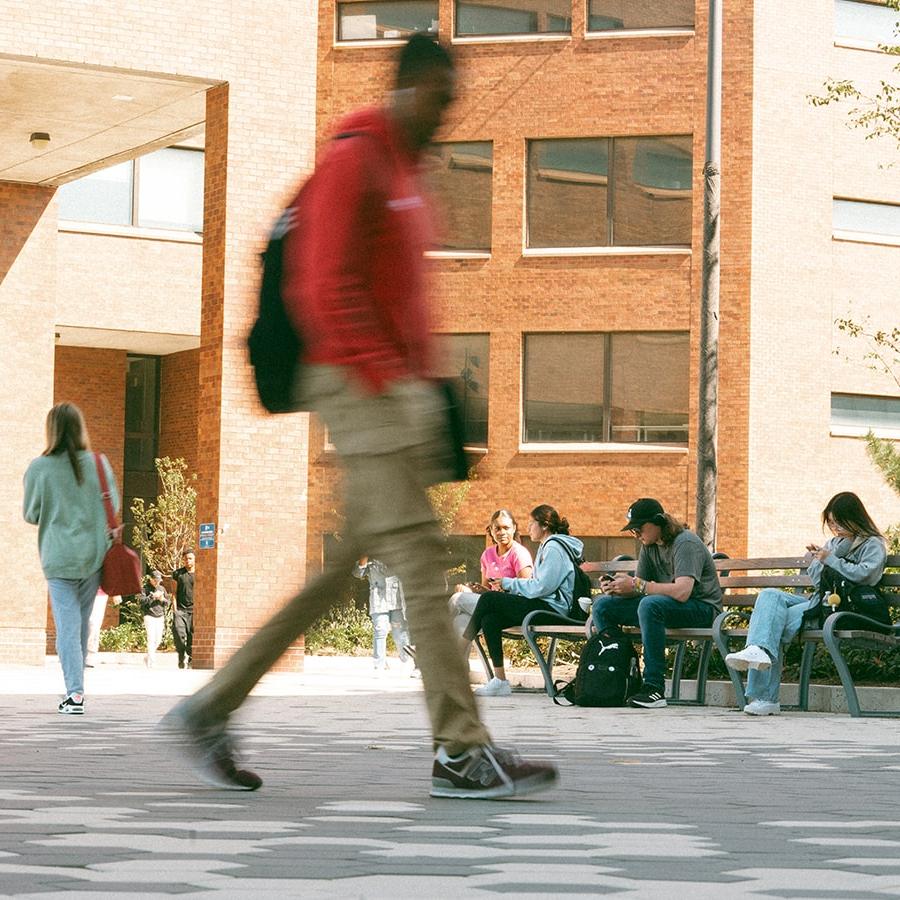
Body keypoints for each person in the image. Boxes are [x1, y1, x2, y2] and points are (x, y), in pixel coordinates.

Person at [162, 35, 558, 800]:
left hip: (393, 392)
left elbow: (405, 300)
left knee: (350, 570)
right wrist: (387, 382)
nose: (448, 115)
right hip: (357, 385)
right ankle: (459, 750)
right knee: (416, 556)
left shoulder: (407, 171)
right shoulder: (357, 157)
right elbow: (320, 286)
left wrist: (434, 392)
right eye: (440, 99)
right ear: (409, 89)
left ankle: (211, 708)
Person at [725, 491, 887, 716]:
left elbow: (866, 575)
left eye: (838, 522)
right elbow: (819, 582)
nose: (835, 528)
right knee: (769, 596)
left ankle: (765, 697)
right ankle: (756, 650)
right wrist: (817, 560)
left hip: (844, 608)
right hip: (819, 600)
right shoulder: (834, 542)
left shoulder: (873, 544)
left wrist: (830, 559)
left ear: (854, 517)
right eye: (831, 523)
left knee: (773, 623)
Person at [23, 402, 121, 715]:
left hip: (58, 557)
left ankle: (75, 694)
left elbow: (30, 513)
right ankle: (76, 688)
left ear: (51, 429)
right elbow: (113, 505)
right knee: (79, 626)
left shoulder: (40, 467)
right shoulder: (99, 463)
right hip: (93, 556)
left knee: (67, 626)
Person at [589, 498, 722, 710]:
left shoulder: (685, 543)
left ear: (658, 522)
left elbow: (682, 591)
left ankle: (654, 687)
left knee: (650, 605)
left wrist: (638, 585)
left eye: (639, 528)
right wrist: (617, 588)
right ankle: (618, 677)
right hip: (663, 607)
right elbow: (639, 590)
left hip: (702, 608)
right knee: (603, 606)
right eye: (633, 531)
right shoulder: (649, 547)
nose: (637, 535)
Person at [464, 505, 582, 697]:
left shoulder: (554, 547)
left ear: (544, 525)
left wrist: (509, 583)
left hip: (553, 609)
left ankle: (459, 648)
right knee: (491, 619)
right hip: (544, 605)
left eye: (531, 523)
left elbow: (543, 587)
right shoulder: (547, 546)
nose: (528, 528)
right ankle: (500, 681)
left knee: (488, 598)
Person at [449, 508, 533, 638]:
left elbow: (527, 591)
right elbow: (485, 591)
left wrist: (505, 589)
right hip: (489, 605)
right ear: (491, 530)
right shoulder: (487, 555)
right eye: (497, 528)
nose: (502, 532)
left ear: (514, 528)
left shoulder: (519, 553)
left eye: (506, 528)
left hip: (512, 609)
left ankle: (431, 643)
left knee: (456, 600)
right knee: (461, 620)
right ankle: (453, 658)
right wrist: (469, 590)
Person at [353, 557, 414, 674]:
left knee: (399, 632)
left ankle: (406, 659)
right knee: (380, 629)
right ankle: (379, 664)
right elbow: (358, 574)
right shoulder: (370, 555)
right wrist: (363, 559)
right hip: (378, 598)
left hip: (396, 598)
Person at [171, 550, 195, 669]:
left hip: (194, 611)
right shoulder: (178, 574)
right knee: (179, 634)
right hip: (180, 610)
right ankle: (181, 656)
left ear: (194, 559)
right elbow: (173, 593)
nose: (187, 561)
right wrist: (175, 610)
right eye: (185, 558)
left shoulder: (199, 574)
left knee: (192, 636)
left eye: (190, 558)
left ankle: (190, 659)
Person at [141, 570, 170, 668]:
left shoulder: (162, 588)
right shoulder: (145, 589)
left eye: (159, 580)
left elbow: (167, 602)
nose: (157, 582)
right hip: (149, 616)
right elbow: (142, 602)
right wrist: (152, 596)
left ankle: (148, 656)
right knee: (151, 639)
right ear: (151, 579)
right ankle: (152, 663)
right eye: (155, 580)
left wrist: (162, 599)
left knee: (158, 640)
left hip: (160, 615)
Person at [85, 588, 109, 667]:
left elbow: (112, 575)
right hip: (83, 591)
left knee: (94, 623)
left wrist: (116, 593)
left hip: (100, 594)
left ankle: (91, 655)